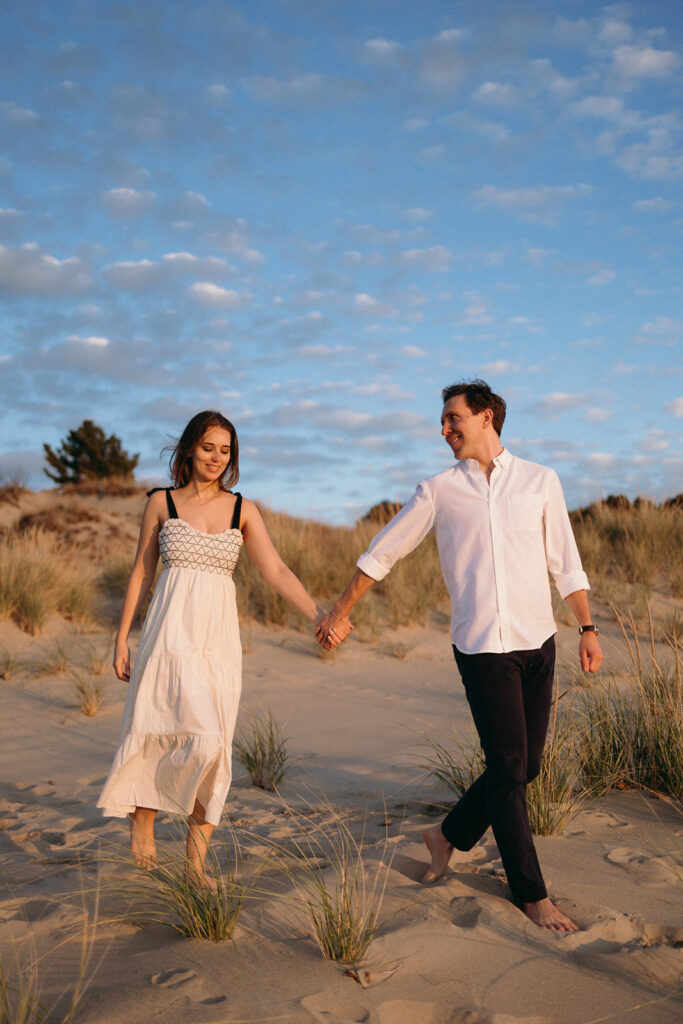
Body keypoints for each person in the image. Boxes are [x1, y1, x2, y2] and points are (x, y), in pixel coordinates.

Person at [316, 380, 603, 932]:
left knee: (526, 765)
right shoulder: (439, 490)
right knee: (510, 767)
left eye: (453, 418)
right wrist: (340, 611)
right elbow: (384, 551)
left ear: (487, 417)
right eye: (443, 421)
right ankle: (532, 895)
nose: (443, 429)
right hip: (480, 648)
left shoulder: (541, 481)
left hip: (537, 642)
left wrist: (586, 627)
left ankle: (445, 836)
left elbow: (565, 562)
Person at [98, 410, 335, 885]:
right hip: (168, 635)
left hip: (218, 641)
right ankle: (142, 817)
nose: (216, 458)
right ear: (189, 448)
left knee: (213, 742)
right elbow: (142, 573)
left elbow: (277, 571)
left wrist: (318, 615)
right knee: (160, 725)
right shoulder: (161, 503)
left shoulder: (242, 509)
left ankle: (194, 864)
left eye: (225, 450)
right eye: (208, 447)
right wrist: (122, 637)